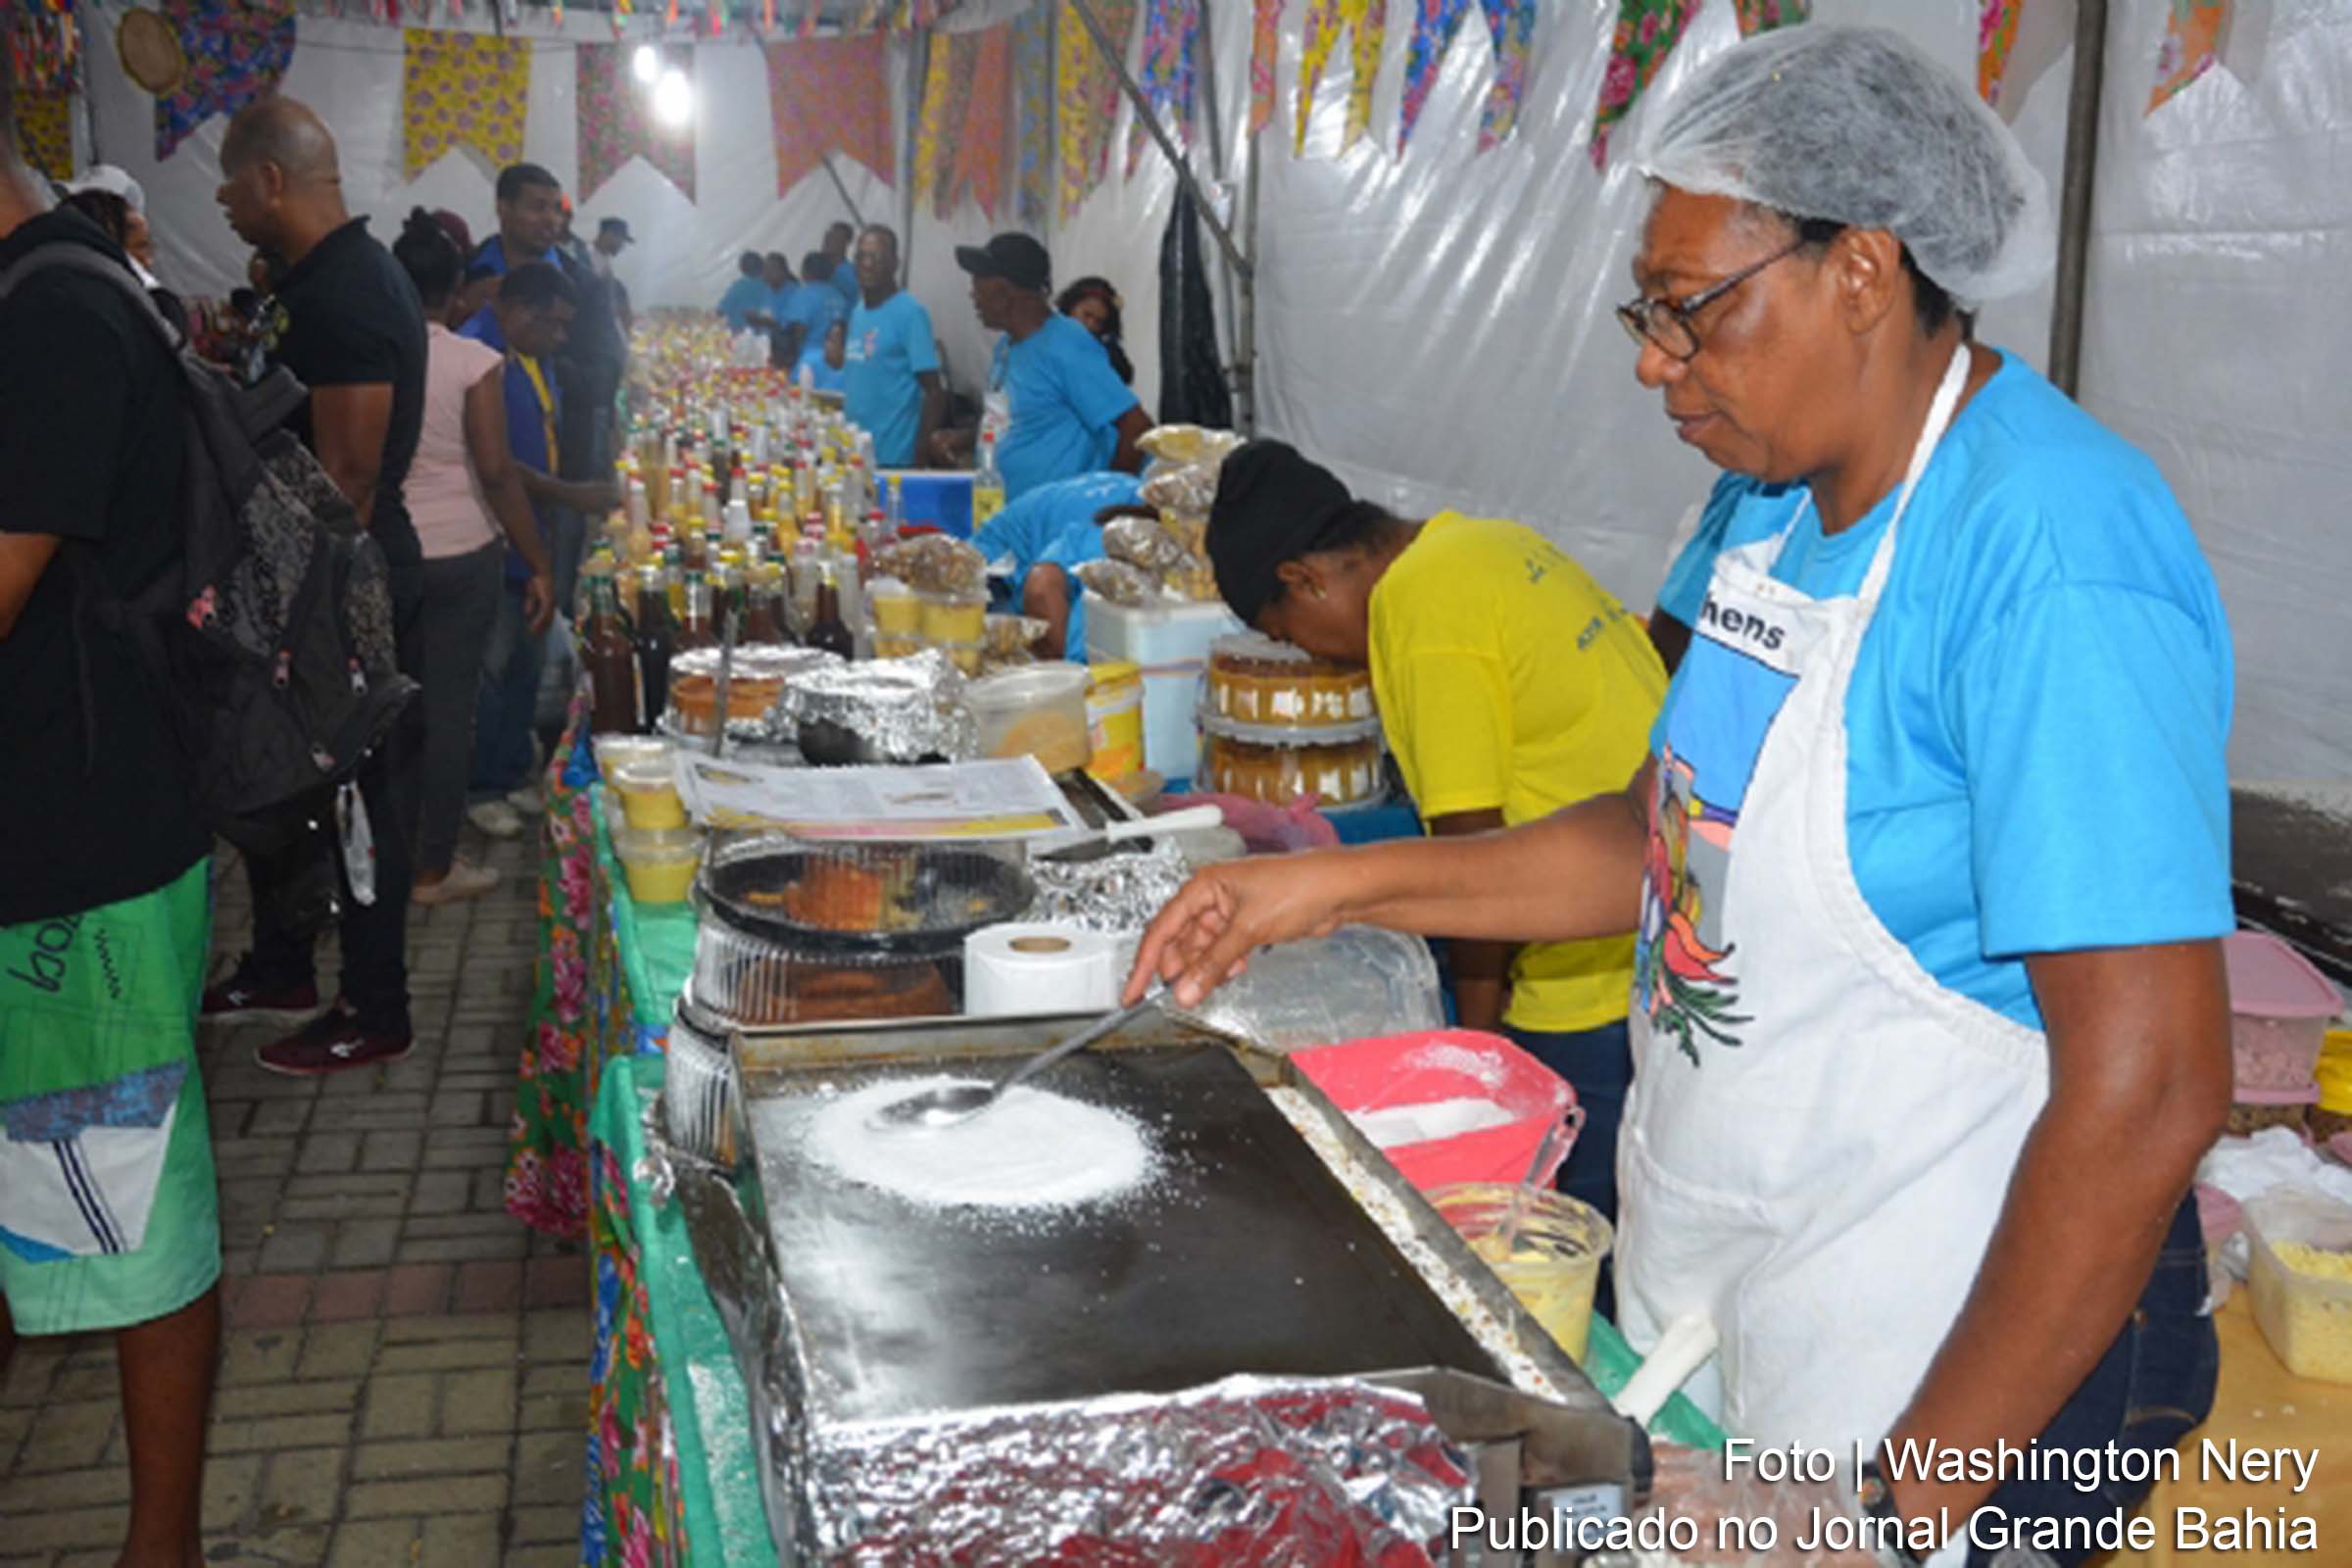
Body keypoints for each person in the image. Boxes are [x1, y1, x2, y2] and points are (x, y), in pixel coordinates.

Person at [1132, 27, 2231, 1566]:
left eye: (1695, 309)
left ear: (1861, 266)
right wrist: (1324, 885)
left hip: (1947, 1375)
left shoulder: (2050, 552)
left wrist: (1877, 1509)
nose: (1657, 360)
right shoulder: (1762, 515)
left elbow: (2153, 1086)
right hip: (1743, 1294)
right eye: (1647, 312)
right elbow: (1663, 840)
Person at [1203, 440, 1666, 1222]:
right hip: (1655, 934)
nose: (1311, 657)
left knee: (1551, 1230)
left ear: (1304, 579)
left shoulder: (1421, 609)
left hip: (1586, 983)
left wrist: (1472, 1068)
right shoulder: (1484, 544)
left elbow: (1470, 865)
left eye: (1288, 635)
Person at [0, 62, 220, 1562]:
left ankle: (162, 1547)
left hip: (73, 870)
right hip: (55, 841)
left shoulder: (55, 321)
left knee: (114, 1215)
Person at [207, 94, 431, 1077]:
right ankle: (283, 963)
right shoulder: (311, 283)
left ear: (268, 180)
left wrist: (304, 629)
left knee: (356, 806)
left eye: (227, 185)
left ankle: (374, 1006)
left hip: (345, 595)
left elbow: (348, 479)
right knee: (283, 790)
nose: (220, 206)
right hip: (294, 590)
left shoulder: (350, 293)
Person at [391, 210, 557, 904]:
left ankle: (390, 851)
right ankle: (433, 866)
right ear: (459, 290)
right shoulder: (471, 360)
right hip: (462, 554)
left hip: (394, 551)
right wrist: (538, 560)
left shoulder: (379, 357)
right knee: (451, 710)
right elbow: (496, 471)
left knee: (397, 709)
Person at [461, 263, 616, 841]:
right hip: (495, 530)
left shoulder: (531, 353)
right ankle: (481, 787)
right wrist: (572, 494)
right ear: (522, 312)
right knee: (496, 663)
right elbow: (494, 463)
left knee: (526, 656)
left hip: (533, 529)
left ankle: (508, 770)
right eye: (555, 326)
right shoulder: (478, 352)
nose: (563, 338)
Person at [951, 232, 1149, 498]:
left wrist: (1104, 502)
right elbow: (1018, 421)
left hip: (1058, 527)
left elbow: (1136, 427)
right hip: (1011, 517)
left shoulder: (1066, 345)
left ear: (1004, 292)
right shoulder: (1007, 347)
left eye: (979, 284)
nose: (972, 295)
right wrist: (964, 439)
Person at [973, 469, 1145, 660]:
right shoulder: (1123, 539)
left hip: (1024, 556)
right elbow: (1041, 587)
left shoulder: (1137, 499)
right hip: (992, 569)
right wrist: (1064, 676)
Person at [843, 223, 945, 468]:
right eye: (861, 257)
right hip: (856, 452)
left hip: (893, 458)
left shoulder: (910, 313)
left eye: (876, 257)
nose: (867, 264)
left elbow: (934, 392)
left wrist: (920, 454)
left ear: (894, 264)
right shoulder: (858, 312)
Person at [1057, 274, 1134, 385]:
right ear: (1070, 307)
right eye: (1087, 315)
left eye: (1098, 322)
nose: (1090, 324)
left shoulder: (1105, 353)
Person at [594, 216, 635, 336]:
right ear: (609, 235)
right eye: (621, 240)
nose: (622, 246)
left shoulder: (604, 260)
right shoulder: (589, 258)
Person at [795, 316, 849, 395]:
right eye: (827, 339)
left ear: (843, 348)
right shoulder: (809, 362)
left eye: (832, 341)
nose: (826, 344)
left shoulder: (852, 372)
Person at [717, 250, 767, 330]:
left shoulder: (738, 287)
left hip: (739, 335)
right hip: (768, 337)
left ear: (742, 268)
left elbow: (721, 311)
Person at [819, 219, 858, 304]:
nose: (827, 241)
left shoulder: (851, 273)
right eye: (827, 236)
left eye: (834, 238)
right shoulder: (816, 269)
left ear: (845, 243)